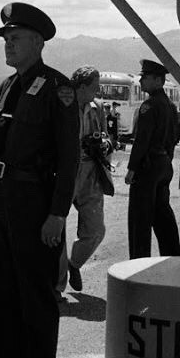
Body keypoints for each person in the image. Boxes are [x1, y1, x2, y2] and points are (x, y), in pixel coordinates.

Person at [0, 2, 80, 358]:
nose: (7, 46)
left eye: (15, 39)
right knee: (1, 294)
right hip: (0, 197)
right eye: (5, 39)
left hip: (34, 201)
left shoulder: (58, 89)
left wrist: (57, 215)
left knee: (35, 299)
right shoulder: (7, 85)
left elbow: (68, 159)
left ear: (37, 41)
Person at [56, 66, 113, 296]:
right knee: (56, 228)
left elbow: (108, 137)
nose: (98, 91)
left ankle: (75, 263)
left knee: (96, 229)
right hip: (64, 172)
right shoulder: (62, 104)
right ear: (81, 87)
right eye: (94, 87)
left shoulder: (97, 108)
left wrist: (103, 145)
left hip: (90, 172)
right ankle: (57, 286)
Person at [125, 59, 180, 259]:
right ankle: (172, 256)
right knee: (161, 213)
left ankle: (138, 264)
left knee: (140, 218)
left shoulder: (149, 106)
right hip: (164, 163)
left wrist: (132, 168)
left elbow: (142, 140)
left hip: (148, 166)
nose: (141, 81)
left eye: (145, 77)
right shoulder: (170, 106)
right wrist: (165, 161)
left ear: (158, 80)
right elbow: (174, 138)